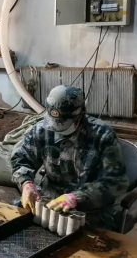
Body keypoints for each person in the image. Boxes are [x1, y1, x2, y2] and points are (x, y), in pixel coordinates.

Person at [11, 85, 129, 227]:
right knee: (14, 222)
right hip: (49, 199)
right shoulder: (41, 130)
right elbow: (22, 160)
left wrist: (76, 197)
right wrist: (26, 184)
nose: (58, 130)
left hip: (88, 208)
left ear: (80, 114)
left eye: (63, 124)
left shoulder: (102, 135)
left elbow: (115, 182)